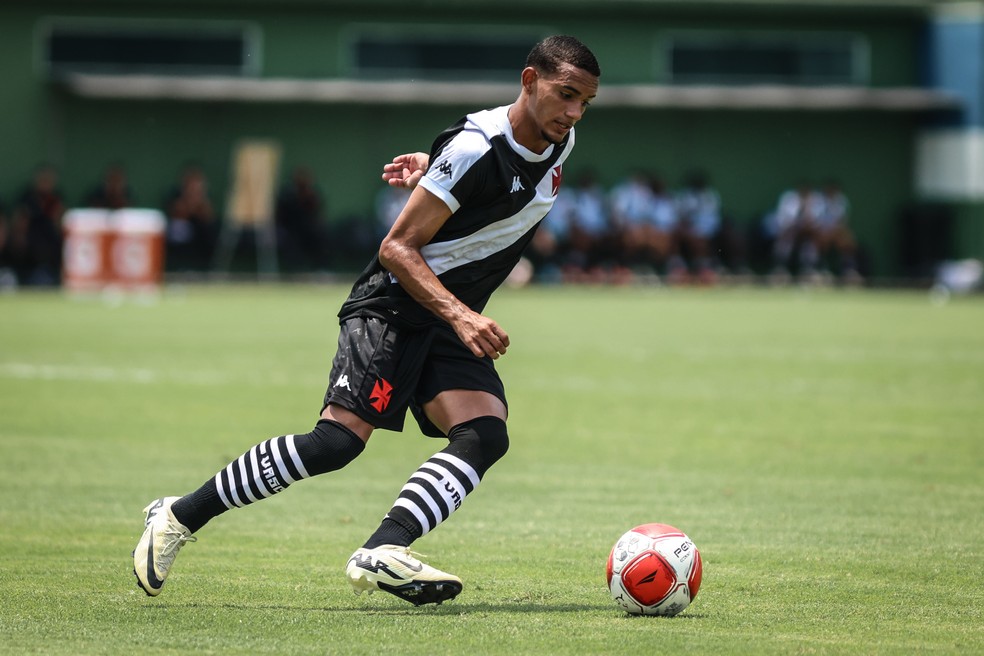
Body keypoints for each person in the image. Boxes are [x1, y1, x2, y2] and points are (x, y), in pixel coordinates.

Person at [133, 35, 601, 607]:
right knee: (335, 443)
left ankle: (385, 549)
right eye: (566, 95)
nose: (575, 113)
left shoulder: (558, 137)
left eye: (585, 102)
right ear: (529, 81)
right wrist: (460, 311)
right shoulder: (477, 146)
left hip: (447, 319)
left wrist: (436, 177)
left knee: (484, 433)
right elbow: (396, 249)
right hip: (395, 306)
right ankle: (178, 515)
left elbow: (500, 186)